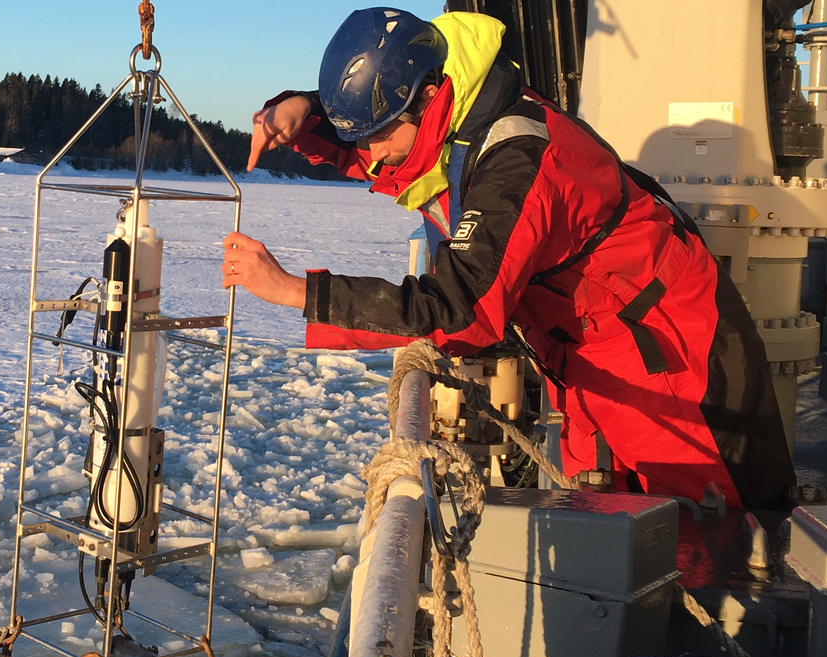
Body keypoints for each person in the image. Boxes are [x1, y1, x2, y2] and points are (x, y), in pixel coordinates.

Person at [221, 8, 795, 509]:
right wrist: (306, 115)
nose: (368, 155)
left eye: (377, 135)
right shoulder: (455, 119)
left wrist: (297, 292)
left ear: (428, 97)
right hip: (588, 353)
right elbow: (388, 156)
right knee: (610, 535)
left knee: (716, 541)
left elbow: (461, 311)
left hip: (669, 355)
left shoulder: (517, 161)